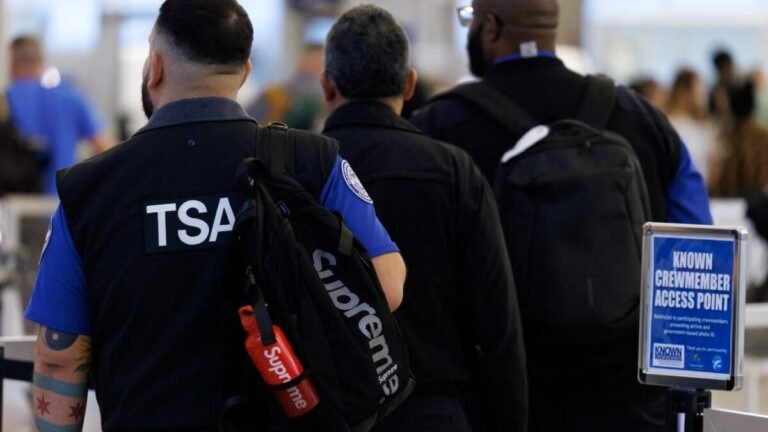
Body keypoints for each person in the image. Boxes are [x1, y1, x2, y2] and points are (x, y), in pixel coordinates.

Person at [24, 1, 406, 430]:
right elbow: (386, 286)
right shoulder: (311, 162)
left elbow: (59, 356)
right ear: (243, 73)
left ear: (155, 68)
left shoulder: (88, 190)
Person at [411, 1, 713, 431]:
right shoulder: (641, 118)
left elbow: (418, 277)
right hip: (629, 399)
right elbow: (695, 249)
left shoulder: (438, 129)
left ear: (491, 26)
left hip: (506, 398)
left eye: (470, 19)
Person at [320, 5, 527, 431]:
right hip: (435, 410)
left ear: (327, 85)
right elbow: (497, 322)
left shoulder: (296, 172)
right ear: (410, 84)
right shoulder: (454, 171)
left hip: (325, 409)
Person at [7, 36, 112, 196]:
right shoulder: (71, 96)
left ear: (12, 63)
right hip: (60, 203)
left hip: (14, 206)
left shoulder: (6, 101)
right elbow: (105, 148)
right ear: (41, 61)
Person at [709, 79, 768, 197]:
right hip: (757, 201)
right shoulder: (762, 134)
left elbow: (715, 179)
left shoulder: (723, 136)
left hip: (729, 201)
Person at [665, 68, 718, 184]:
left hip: (702, 190)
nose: (701, 95)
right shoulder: (667, 124)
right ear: (683, 92)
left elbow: (712, 164)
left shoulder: (704, 126)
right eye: (698, 89)